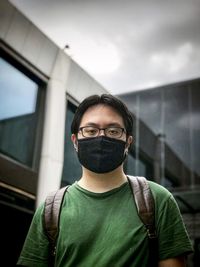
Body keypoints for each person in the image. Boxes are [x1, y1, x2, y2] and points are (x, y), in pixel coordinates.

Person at [17, 94, 193, 267]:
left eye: (113, 131)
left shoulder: (158, 200)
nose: (101, 137)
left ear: (128, 143)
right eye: (91, 130)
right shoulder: (49, 210)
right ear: (75, 141)